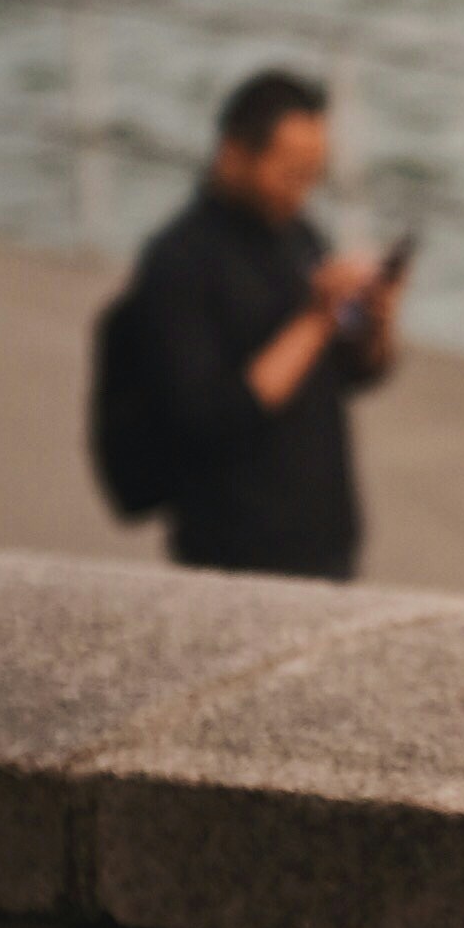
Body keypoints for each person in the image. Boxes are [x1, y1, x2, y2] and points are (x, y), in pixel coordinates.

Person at [108, 68, 401, 581]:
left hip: (327, 543)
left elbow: (353, 373)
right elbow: (206, 418)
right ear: (234, 152)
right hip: (235, 551)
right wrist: (316, 319)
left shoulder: (297, 233)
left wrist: (376, 322)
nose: (301, 191)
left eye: (313, 174)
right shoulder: (179, 262)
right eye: (290, 172)